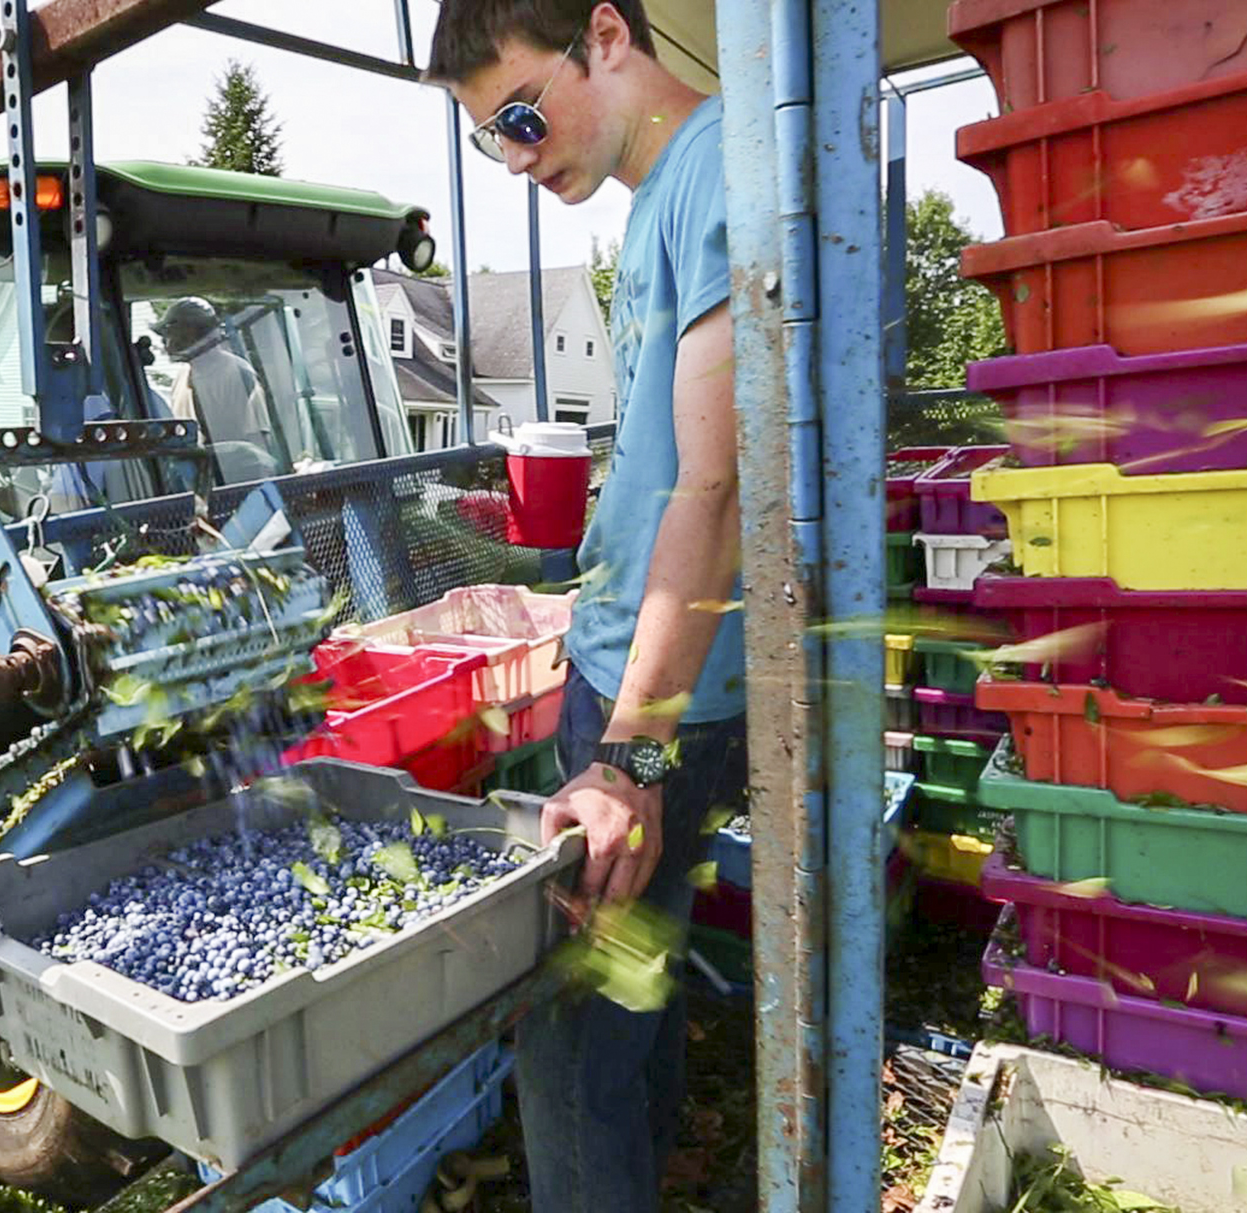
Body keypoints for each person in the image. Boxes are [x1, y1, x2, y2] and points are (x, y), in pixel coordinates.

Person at [426, 3, 747, 1209]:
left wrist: (627, 758)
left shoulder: (716, 166)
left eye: (516, 114)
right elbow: (672, 470)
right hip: (648, 670)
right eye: (485, 141)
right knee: (631, 986)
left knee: (563, 1048)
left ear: (603, 35)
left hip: (646, 700)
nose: (513, 157)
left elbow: (719, 489)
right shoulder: (666, 198)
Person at [153, 297, 280, 482]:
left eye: (170, 334)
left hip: (237, 484)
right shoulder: (180, 378)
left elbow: (259, 451)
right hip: (202, 485)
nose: (166, 343)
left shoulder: (237, 373)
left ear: (191, 332)